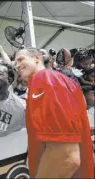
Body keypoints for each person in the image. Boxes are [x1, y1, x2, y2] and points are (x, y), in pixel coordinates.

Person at [14, 47, 94, 178]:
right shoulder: (54, 79)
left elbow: (66, 156)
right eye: (14, 63)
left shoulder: (44, 78)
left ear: (36, 58)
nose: (16, 65)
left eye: (20, 59)